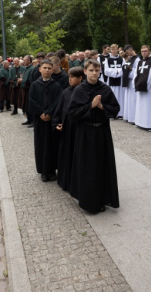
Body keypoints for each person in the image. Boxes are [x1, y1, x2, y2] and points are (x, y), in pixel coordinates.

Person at [68, 59, 120, 213]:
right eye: (91, 70)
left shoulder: (105, 89)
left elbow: (116, 108)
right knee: (87, 167)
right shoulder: (79, 90)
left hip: (102, 132)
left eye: (97, 70)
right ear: (85, 72)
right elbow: (72, 112)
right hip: (85, 133)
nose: (94, 73)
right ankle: (88, 201)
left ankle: (102, 198)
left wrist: (102, 106)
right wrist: (90, 106)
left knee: (102, 165)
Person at [28, 59, 62, 182]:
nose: (47, 70)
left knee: (52, 145)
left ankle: (52, 170)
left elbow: (58, 101)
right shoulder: (35, 85)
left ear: (52, 69)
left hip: (51, 120)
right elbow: (31, 101)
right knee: (41, 144)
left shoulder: (56, 85)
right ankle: (43, 170)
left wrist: (49, 113)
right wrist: (41, 113)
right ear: (40, 69)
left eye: (49, 68)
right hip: (39, 120)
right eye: (45, 68)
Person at [52, 67, 83, 191]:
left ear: (80, 78)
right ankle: (67, 181)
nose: (69, 79)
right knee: (67, 155)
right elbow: (59, 110)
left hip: (79, 129)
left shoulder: (85, 91)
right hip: (67, 129)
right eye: (69, 77)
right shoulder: (66, 92)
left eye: (72, 77)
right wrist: (56, 123)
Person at [133, 45, 151, 130]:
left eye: (145, 51)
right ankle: (140, 122)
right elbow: (136, 74)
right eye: (142, 51)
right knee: (141, 105)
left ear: (149, 51)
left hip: (148, 88)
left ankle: (148, 124)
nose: (144, 53)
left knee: (148, 106)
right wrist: (135, 83)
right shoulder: (139, 62)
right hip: (140, 86)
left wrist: (147, 85)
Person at [104, 44, 125, 118]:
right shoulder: (108, 59)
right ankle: (112, 113)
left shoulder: (122, 59)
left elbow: (123, 68)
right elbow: (106, 71)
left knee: (121, 96)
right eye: (112, 49)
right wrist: (115, 72)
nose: (114, 51)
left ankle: (121, 113)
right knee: (112, 96)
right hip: (111, 81)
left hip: (120, 80)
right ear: (110, 50)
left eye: (115, 49)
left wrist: (118, 72)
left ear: (117, 50)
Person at [122, 45, 140, 124]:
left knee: (133, 100)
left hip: (133, 81)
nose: (127, 54)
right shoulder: (129, 58)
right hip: (127, 81)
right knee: (128, 100)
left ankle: (133, 118)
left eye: (127, 52)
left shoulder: (137, 59)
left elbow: (137, 70)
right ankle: (128, 116)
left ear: (131, 49)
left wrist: (131, 69)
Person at [19, 55, 34, 126]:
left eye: (25, 60)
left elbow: (31, 80)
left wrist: (23, 80)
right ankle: (28, 119)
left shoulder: (32, 68)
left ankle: (32, 121)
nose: (23, 61)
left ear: (29, 61)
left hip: (29, 89)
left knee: (29, 105)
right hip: (24, 89)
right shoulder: (26, 68)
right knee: (26, 105)